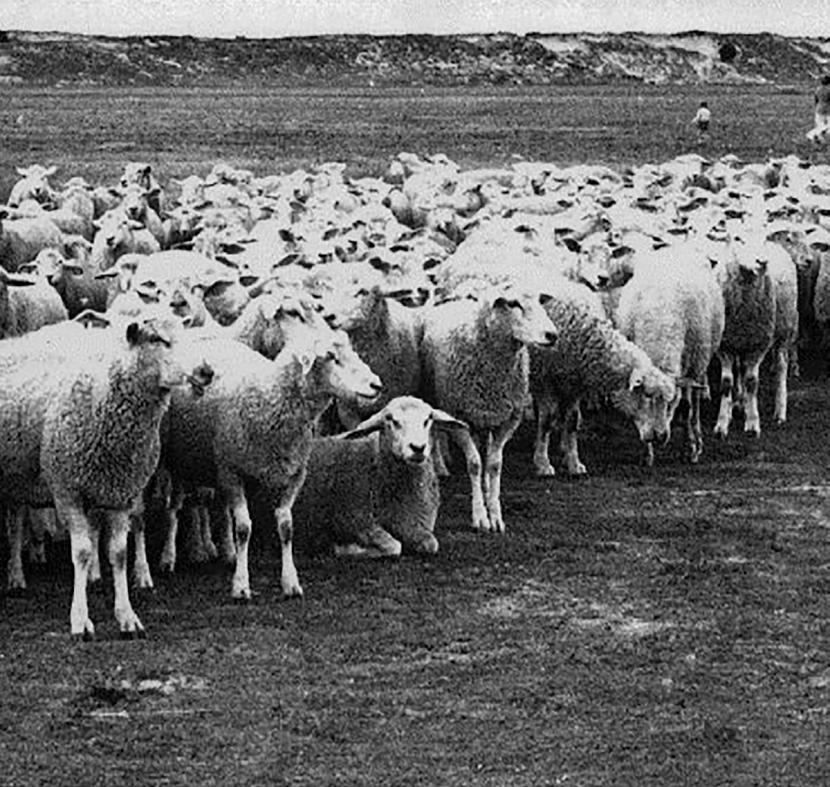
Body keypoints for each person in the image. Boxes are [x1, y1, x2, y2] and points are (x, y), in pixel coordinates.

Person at [807, 74, 830, 144]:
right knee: (827, 126)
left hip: (819, 108)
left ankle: (818, 138)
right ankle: (811, 134)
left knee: (819, 124)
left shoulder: (818, 89)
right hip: (828, 109)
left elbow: (816, 100)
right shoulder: (829, 90)